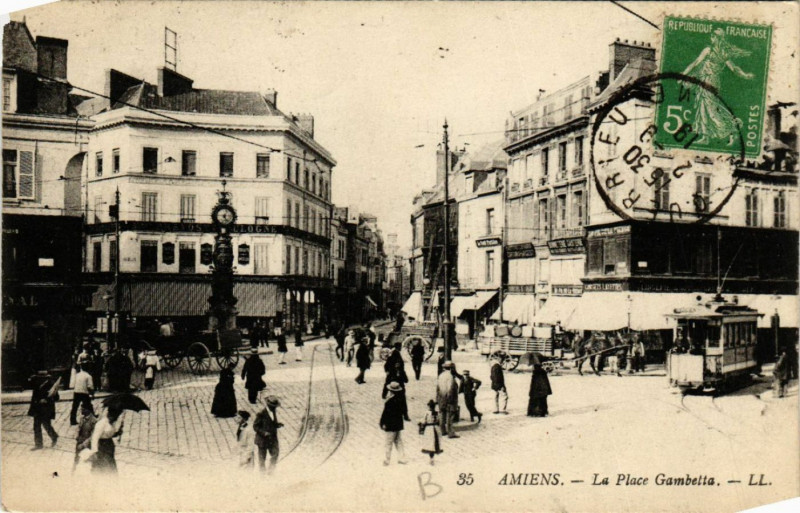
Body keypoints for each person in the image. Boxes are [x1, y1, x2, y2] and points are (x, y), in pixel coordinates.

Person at [87, 406, 124, 474]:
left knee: (110, 465)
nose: (115, 418)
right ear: (109, 414)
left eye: (117, 416)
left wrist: (117, 433)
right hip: (101, 447)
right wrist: (94, 451)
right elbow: (94, 438)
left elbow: (109, 434)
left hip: (109, 446)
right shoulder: (102, 423)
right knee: (103, 467)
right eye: (114, 416)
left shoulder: (111, 422)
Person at [28, 372, 59, 450]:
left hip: (46, 408)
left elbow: (56, 397)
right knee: (36, 426)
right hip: (37, 408)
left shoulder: (51, 384)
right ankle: (38, 444)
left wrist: (47, 400)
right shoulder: (35, 383)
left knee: (46, 424)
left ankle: (54, 436)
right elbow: (34, 396)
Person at [380, 381, 408, 465]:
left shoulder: (390, 401)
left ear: (391, 391)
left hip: (390, 425)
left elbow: (385, 414)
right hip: (398, 424)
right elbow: (403, 411)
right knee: (398, 441)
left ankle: (387, 460)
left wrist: (382, 423)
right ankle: (402, 458)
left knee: (388, 443)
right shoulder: (400, 399)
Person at [253, 396, 282, 474]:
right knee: (262, 458)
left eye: (275, 407)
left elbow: (271, 423)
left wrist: (277, 425)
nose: (275, 408)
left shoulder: (273, 411)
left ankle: (270, 472)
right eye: (273, 407)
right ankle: (262, 474)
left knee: (275, 454)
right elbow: (255, 426)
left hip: (272, 438)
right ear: (269, 405)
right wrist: (264, 433)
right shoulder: (261, 413)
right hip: (262, 440)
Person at [436, 361, 462, 438]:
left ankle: (443, 431)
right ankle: (451, 433)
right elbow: (450, 389)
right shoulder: (450, 377)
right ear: (451, 368)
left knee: (442, 415)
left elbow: (437, 388)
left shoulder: (441, 376)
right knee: (450, 416)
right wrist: (450, 400)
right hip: (449, 399)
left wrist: (438, 399)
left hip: (441, 398)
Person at [73, 403, 97, 473]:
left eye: (83, 409)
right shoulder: (82, 418)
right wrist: (77, 436)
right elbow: (79, 428)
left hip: (87, 445)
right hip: (79, 442)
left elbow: (93, 436)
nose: (81, 410)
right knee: (76, 460)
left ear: (88, 410)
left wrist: (83, 445)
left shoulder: (94, 421)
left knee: (86, 462)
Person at [419, 399, 442, 465]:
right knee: (435, 443)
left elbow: (423, 421)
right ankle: (432, 457)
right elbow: (439, 421)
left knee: (430, 444)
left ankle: (431, 458)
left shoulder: (427, 413)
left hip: (429, 429)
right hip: (436, 429)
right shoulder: (437, 413)